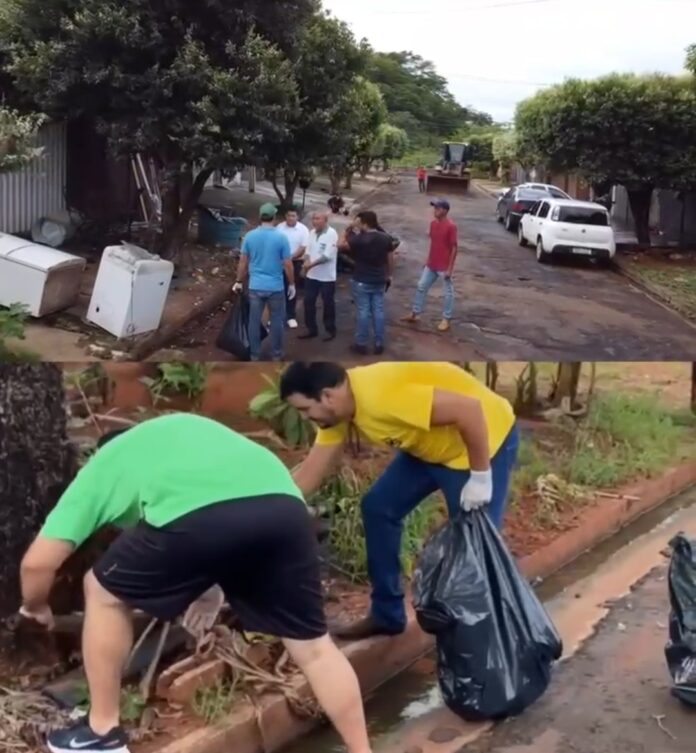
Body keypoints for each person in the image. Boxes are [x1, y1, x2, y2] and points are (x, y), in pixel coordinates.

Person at [19, 414, 372, 753]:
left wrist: (35, 607)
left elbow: (38, 564)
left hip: (201, 516)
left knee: (103, 591)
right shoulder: (183, 435)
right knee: (315, 649)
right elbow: (224, 518)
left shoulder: (104, 466)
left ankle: (101, 732)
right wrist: (206, 590)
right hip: (285, 508)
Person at [280, 361, 519, 641]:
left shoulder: (382, 396)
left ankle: (489, 638)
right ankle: (387, 615)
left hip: (480, 445)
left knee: (475, 542)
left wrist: (480, 475)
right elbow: (310, 473)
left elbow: (469, 410)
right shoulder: (337, 411)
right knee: (379, 508)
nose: (307, 417)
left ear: (327, 396)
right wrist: (270, 508)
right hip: (428, 450)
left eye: (305, 409)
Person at [233, 203, 295, 361]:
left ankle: (255, 354)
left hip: (256, 286)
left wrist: (239, 281)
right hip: (275, 287)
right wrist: (292, 283)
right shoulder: (281, 237)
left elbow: (243, 262)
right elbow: (288, 264)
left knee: (254, 321)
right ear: (274, 217)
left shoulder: (250, 236)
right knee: (277, 321)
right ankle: (276, 354)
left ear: (260, 217)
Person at [338, 210, 394, 356]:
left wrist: (347, 229)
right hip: (379, 279)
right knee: (378, 311)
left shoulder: (359, 239)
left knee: (363, 311)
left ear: (363, 222)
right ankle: (379, 343)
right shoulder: (385, 238)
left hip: (362, 279)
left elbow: (340, 245)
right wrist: (389, 275)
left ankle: (361, 344)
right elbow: (390, 258)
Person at [402, 198, 458, 333]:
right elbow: (434, 244)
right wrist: (427, 260)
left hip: (444, 266)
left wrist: (450, 268)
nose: (435, 211)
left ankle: (446, 319)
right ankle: (415, 313)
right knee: (421, 286)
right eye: (435, 208)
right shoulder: (433, 224)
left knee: (447, 293)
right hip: (431, 264)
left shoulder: (451, 226)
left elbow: (454, 248)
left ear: (444, 211)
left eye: (438, 208)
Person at [299, 211, 339, 342]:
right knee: (308, 302)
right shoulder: (311, 233)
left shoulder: (332, 234)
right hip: (312, 276)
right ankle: (311, 329)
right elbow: (307, 251)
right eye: (313, 219)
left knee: (328, 303)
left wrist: (310, 265)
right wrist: (306, 261)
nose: (314, 221)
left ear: (325, 220)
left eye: (317, 219)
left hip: (327, 277)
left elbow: (327, 256)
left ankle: (330, 329)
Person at [276, 208, 310, 329]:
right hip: (279, 262)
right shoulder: (279, 227)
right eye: (289, 215)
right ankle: (276, 316)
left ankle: (291, 316)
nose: (291, 218)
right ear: (285, 216)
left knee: (291, 288)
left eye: (293, 216)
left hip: (294, 262)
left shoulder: (303, 230)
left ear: (297, 217)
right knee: (278, 289)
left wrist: (290, 257)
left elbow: (303, 246)